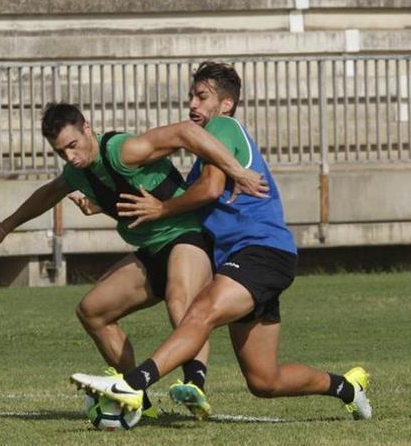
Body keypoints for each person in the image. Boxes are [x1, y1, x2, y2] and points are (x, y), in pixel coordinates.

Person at [70, 61, 372, 421]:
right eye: (191, 97)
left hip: (261, 251)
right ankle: (348, 387)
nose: (193, 105)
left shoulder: (223, 127)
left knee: (201, 310)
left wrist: (162, 209)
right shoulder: (205, 159)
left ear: (225, 105)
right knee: (264, 380)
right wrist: (104, 205)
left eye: (202, 97)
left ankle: (132, 385)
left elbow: (210, 190)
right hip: (245, 260)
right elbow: (200, 200)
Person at [0, 102, 267, 418]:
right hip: (151, 250)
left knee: (180, 299)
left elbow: (185, 131)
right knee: (92, 311)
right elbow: (49, 192)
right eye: (60, 152)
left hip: (188, 235)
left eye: (72, 145)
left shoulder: (123, 150)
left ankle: (195, 385)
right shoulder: (77, 173)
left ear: (87, 128)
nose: (70, 157)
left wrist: (236, 170)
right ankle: (138, 399)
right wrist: (4, 227)